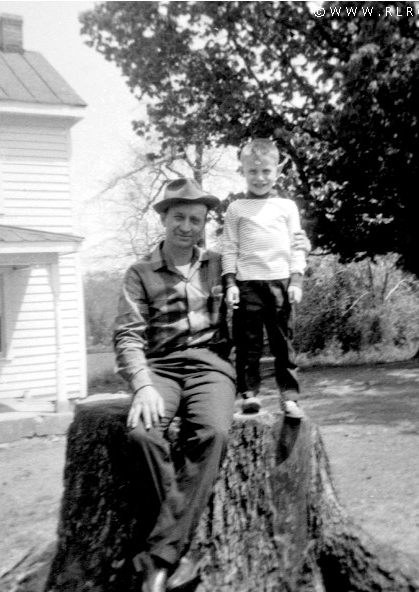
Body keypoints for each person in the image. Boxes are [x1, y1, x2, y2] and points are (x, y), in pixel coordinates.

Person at [113, 178, 236, 592]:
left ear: (205, 223)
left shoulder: (220, 265)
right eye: (179, 217)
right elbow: (128, 335)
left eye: (196, 220)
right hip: (160, 368)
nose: (187, 226)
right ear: (164, 218)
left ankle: (157, 558)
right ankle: (178, 549)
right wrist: (143, 385)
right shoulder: (140, 272)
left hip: (209, 366)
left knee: (213, 432)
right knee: (144, 435)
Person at [222, 138, 307, 419]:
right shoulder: (236, 209)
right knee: (248, 345)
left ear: (277, 173)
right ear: (242, 172)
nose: (260, 178)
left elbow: (297, 245)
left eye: (266, 172)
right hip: (248, 285)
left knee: (284, 343)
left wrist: (296, 280)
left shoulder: (287, 207)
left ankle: (290, 397)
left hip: (280, 283)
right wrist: (231, 283)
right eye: (253, 172)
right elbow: (230, 247)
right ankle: (249, 395)